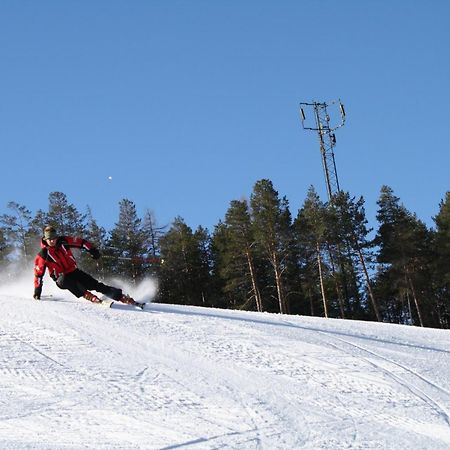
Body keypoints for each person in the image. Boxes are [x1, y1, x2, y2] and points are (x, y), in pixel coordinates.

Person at [33, 226, 141, 307]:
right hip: (61, 278)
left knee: (95, 284)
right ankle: (89, 296)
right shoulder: (43, 254)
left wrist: (92, 250)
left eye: (54, 238)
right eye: (49, 239)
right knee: (68, 281)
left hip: (74, 271)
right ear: (45, 239)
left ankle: (120, 297)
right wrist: (37, 291)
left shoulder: (63, 241)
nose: (52, 241)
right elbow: (38, 275)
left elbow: (82, 242)